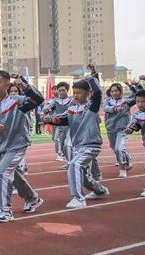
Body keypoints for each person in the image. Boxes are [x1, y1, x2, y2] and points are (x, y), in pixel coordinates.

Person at [0, 71, 45, 222]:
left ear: (7, 85)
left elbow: (38, 99)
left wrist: (24, 85)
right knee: (14, 176)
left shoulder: (18, 101)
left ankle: (5, 210)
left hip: (17, 145)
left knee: (1, 173)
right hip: (0, 147)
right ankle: (32, 198)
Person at [44, 66, 109, 208]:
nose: (75, 95)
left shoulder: (91, 107)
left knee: (74, 165)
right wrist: (50, 119)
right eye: (74, 92)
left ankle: (78, 198)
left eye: (79, 93)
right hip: (78, 145)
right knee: (82, 173)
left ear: (88, 93)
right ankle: (99, 190)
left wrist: (91, 78)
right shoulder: (72, 109)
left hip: (91, 144)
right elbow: (63, 120)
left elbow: (98, 92)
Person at [101, 81, 138, 178]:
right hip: (110, 129)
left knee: (119, 148)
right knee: (114, 148)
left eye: (116, 91)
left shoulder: (126, 101)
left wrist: (131, 86)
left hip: (122, 129)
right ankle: (128, 158)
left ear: (120, 92)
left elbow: (137, 95)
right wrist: (115, 109)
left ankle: (123, 169)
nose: (114, 93)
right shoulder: (107, 101)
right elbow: (105, 108)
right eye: (112, 91)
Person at [43, 82, 73, 162]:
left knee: (68, 144)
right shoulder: (55, 101)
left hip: (69, 126)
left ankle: (70, 162)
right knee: (59, 142)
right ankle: (65, 158)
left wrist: (55, 116)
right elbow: (48, 108)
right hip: (59, 126)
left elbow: (67, 112)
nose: (61, 92)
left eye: (63, 90)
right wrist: (46, 111)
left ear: (67, 90)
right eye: (59, 90)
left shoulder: (71, 100)